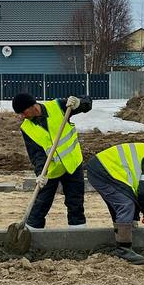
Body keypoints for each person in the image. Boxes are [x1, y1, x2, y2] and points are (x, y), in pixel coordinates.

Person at [13, 92, 91, 229]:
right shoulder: (26, 128)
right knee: (41, 204)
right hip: (50, 170)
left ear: (32, 106)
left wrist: (79, 102)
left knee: (75, 203)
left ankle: (78, 234)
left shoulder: (58, 106)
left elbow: (87, 103)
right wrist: (40, 174)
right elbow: (36, 154)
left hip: (72, 164)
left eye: (23, 112)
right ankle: (31, 233)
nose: (22, 116)